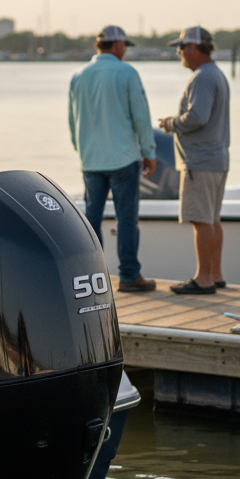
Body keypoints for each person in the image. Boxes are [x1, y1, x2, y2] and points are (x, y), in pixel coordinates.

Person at [69, 25, 157, 292]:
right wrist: (149, 151)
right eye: (125, 46)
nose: (125, 51)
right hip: (122, 158)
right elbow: (140, 115)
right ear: (118, 45)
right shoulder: (127, 72)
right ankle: (129, 276)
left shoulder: (78, 75)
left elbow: (73, 120)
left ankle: (92, 277)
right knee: (126, 219)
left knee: (91, 220)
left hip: (91, 160)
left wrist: (82, 150)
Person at [157, 26, 230, 295]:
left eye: (181, 47)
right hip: (216, 159)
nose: (179, 52)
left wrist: (171, 124)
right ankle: (216, 274)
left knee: (201, 221)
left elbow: (198, 116)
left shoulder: (202, 77)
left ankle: (203, 279)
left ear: (194, 49)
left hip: (200, 161)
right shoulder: (216, 73)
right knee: (212, 219)